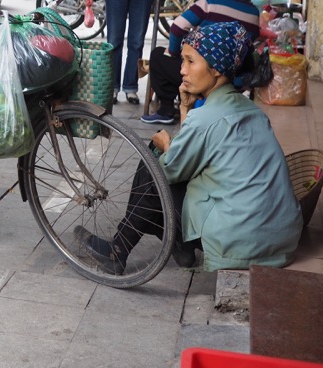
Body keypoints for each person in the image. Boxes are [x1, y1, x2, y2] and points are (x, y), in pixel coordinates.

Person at [76, 21, 303, 275]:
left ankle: (118, 249)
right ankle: (179, 245)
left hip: (239, 242)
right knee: (169, 162)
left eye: (190, 61)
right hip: (281, 241)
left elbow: (172, 171)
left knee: (152, 161)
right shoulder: (251, 111)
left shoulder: (207, 118)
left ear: (216, 68)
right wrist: (185, 109)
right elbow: (193, 155)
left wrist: (165, 145)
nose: (182, 70)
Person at [141, 0, 261, 125]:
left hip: (205, 78)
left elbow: (177, 28)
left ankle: (166, 109)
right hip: (236, 81)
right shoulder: (254, 14)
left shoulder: (210, 3)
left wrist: (175, 54)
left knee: (157, 56)